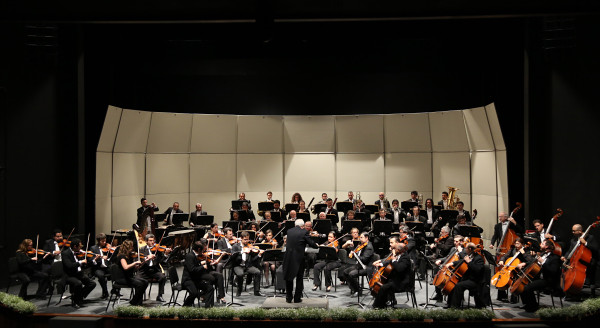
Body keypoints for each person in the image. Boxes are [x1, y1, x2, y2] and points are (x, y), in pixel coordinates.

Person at [282, 219, 318, 303]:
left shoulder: (289, 231)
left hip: (288, 257)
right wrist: (316, 245)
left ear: (295, 225)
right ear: (302, 226)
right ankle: (297, 298)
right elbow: (310, 242)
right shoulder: (304, 232)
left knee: (289, 277)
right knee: (299, 278)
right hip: (298, 258)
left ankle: (288, 297)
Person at [521, 240, 562, 312]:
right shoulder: (543, 254)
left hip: (548, 281)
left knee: (528, 287)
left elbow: (553, 271)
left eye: (542, 244)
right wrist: (524, 263)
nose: (540, 245)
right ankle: (527, 304)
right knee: (522, 284)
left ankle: (533, 306)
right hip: (540, 278)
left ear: (547, 246)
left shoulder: (555, 258)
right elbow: (533, 261)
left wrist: (542, 262)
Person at [562, 224, 598, 297]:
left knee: (591, 268)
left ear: (580, 231)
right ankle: (570, 290)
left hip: (589, 261)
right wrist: (565, 257)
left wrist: (586, 243)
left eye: (574, 231)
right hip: (577, 261)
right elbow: (570, 251)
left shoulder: (590, 238)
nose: (572, 232)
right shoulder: (573, 240)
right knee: (565, 268)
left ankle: (592, 292)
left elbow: (596, 249)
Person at [372, 243, 411, 309]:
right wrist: (380, 264)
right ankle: (382, 304)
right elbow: (389, 262)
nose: (392, 250)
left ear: (398, 250)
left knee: (384, 287)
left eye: (394, 248)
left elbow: (399, 269)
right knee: (379, 283)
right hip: (396, 279)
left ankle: (378, 305)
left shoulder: (405, 258)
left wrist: (394, 260)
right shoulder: (398, 255)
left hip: (402, 282)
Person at [446, 242, 485, 308]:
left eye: (466, 248)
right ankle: (450, 304)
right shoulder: (469, 255)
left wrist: (469, 262)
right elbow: (461, 261)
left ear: (469, 249)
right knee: (453, 283)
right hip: (468, 278)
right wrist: (452, 263)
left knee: (459, 286)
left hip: (475, 280)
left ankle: (454, 307)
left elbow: (477, 270)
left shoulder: (479, 258)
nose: (465, 249)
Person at [62, 238, 97, 308]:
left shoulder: (78, 253)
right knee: (78, 283)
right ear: (75, 246)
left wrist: (93, 260)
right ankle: (76, 302)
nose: (81, 248)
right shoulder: (65, 253)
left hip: (78, 273)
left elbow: (84, 264)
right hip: (69, 275)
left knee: (92, 284)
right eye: (80, 246)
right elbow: (69, 266)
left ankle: (78, 297)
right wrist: (80, 262)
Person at [495, 237, 532, 303]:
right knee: (501, 277)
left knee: (516, 278)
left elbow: (530, 260)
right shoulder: (513, 249)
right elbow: (505, 256)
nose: (516, 245)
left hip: (520, 269)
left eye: (518, 244)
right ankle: (502, 296)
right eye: (515, 244)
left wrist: (523, 253)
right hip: (511, 268)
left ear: (522, 244)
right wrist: (501, 260)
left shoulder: (526, 251)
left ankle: (514, 296)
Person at [137, 234, 170, 302]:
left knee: (162, 277)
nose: (152, 242)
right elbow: (139, 260)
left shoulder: (157, 250)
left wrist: (166, 254)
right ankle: (138, 297)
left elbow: (162, 261)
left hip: (154, 270)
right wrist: (147, 257)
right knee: (137, 279)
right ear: (146, 241)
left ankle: (160, 295)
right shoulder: (142, 249)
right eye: (150, 240)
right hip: (144, 270)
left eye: (153, 240)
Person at [114, 240, 147, 306]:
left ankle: (136, 301)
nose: (132, 248)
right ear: (127, 247)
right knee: (140, 284)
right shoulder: (121, 256)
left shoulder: (129, 257)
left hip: (128, 277)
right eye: (131, 247)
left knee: (145, 282)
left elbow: (133, 269)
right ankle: (135, 302)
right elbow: (125, 267)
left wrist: (143, 262)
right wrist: (134, 263)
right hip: (122, 278)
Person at [182, 241, 214, 307]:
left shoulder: (194, 255)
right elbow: (192, 270)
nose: (203, 252)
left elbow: (195, 266)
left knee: (210, 288)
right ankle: (184, 307)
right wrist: (202, 266)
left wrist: (201, 263)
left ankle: (208, 308)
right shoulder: (189, 256)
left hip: (195, 279)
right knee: (194, 293)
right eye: (203, 250)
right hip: (188, 280)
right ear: (199, 249)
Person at [231, 231, 264, 297]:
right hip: (238, 265)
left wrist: (259, 255)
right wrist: (242, 252)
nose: (247, 241)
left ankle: (256, 291)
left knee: (257, 272)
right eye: (245, 239)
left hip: (247, 266)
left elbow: (253, 260)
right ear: (241, 238)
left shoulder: (250, 247)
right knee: (240, 274)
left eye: (248, 239)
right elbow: (234, 258)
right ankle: (239, 290)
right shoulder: (235, 246)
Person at [343, 232, 374, 297]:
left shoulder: (369, 247)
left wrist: (355, 255)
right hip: (360, 265)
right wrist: (352, 250)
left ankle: (358, 290)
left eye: (361, 237)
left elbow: (364, 259)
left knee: (352, 274)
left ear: (366, 238)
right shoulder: (362, 245)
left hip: (367, 267)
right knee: (345, 272)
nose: (360, 239)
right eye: (360, 237)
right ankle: (354, 288)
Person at [90, 233, 111, 299]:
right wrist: (97, 258)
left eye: (105, 241)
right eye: (102, 241)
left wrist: (110, 252)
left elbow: (112, 257)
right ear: (98, 241)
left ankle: (116, 290)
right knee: (101, 276)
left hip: (107, 266)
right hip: (98, 268)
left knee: (117, 271)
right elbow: (91, 261)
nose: (104, 242)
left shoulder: (108, 247)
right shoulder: (93, 248)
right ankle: (105, 292)